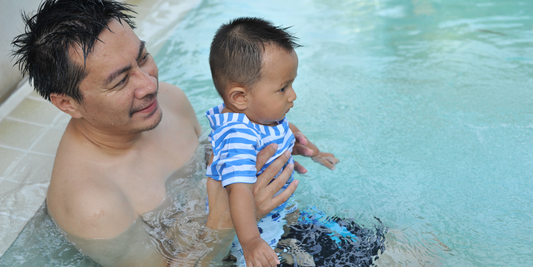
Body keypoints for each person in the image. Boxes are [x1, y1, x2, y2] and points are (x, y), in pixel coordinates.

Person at [11, 0, 318, 266]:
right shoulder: (93, 206)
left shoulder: (169, 101)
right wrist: (227, 223)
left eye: (142, 57)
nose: (148, 84)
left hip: (270, 233)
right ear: (67, 103)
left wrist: (258, 137)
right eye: (119, 81)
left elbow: (210, 161)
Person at [205, 17, 339, 267]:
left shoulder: (261, 116)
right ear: (240, 97)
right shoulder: (238, 137)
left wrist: (315, 152)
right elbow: (240, 191)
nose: (293, 95)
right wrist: (251, 242)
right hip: (253, 231)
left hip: (277, 213)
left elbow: (289, 128)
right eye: (283, 88)